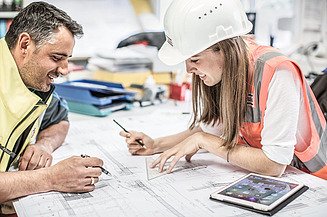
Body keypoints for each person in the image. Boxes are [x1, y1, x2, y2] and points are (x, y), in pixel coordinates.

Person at [119, 0, 327, 180]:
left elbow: (274, 164)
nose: (189, 70)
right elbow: (211, 129)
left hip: (314, 182)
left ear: (224, 49)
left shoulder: (277, 71)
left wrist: (204, 142)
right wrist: (155, 144)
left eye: (195, 59)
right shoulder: (225, 71)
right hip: (279, 180)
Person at [0, 2, 103, 214]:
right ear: (25, 45)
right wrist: (51, 178)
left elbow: (60, 120)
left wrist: (44, 145)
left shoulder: (32, 80)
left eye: (67, 59)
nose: (65, 70)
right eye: (56, 58)